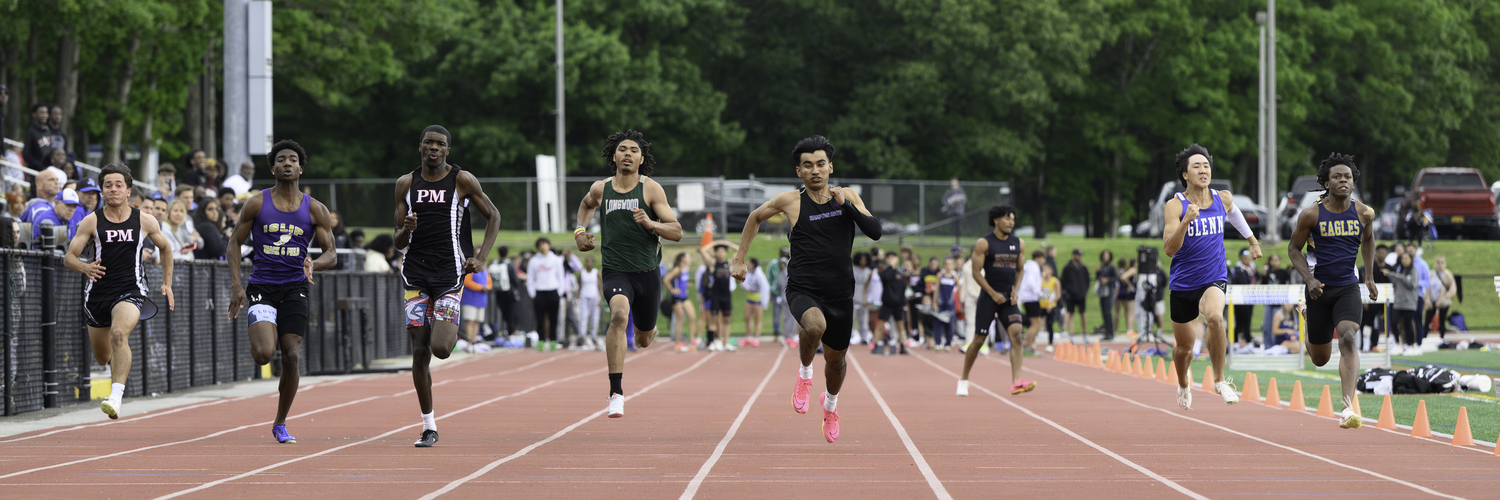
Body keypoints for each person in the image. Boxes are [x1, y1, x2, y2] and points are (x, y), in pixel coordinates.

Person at [731, 134, 882, 444]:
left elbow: (875, 232)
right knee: (814, 326)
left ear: (830, 167)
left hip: (841, 291)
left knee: (837, 360)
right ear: (799, 171)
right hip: (804, 286)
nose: (815, 170)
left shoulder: (848, 196)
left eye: (821, 164)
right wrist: (738, 258)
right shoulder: (791, 200)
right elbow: (754, 217)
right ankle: (804, 373)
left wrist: (846, 206)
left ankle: (830, 407)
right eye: (808, 165)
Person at [392, 125, 502, 447]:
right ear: (421, 147)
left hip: (449, 274)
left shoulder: (462, 180)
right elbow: (398, 239)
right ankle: (429, 425)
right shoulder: (405, 184)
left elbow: (493, 215)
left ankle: (446, 335)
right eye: (428, 143)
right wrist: (407, 228)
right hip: (414, 274)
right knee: (419, 349)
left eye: (440, 144)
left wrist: (481, 256)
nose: (434, 148)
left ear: (447, 150)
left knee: (441, 348)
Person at [224, 140, 338, 444]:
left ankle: (280, 421)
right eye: (281, 160)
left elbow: (332, 253)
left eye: (292, 160)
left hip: (295, 288)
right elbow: (234, 243)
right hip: (262, 285)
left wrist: (314, 263)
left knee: (291, 355)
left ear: (300, 168)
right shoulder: (257, 203)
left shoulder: (315, 208)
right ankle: (262, 330)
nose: (287, 164)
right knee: (263, 354)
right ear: (273, 168)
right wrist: (237, 285)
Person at [573, 129, 683, 417]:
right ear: (614, 156)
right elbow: (585, 205)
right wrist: (580, 231)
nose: (627, 154)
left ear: (641, 159)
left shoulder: (650, 189)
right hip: (615, 271)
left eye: (634, 150)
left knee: (643, 338)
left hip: (647, 272)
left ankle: (650, 330)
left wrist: (651, 223)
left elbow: (677, 231)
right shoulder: (601, 188)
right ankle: (616, 392)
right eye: (622, 149)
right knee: (619, 315)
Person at [63, 163, 175, 419]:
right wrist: (85, 267)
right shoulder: (92, 221)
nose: (113, 189)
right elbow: (68, 257)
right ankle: (118, 356)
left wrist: (167, 283)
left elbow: (166, 249)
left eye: (118, 185)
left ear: (128, 190)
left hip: (131, 289)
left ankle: (115, 396)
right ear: (103, 191)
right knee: (103, 358)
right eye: (108, 185)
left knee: (118, 333)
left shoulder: (144, 220)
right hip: (98, 295)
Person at [1164, 144, 1259, 411]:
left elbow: (1235, 214)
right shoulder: (1175, 206)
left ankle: (1219, 380)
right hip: (1183, 284)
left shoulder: (1222, 198)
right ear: (1185, 174)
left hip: (1214, 277)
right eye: (1196, 166)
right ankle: (1183, 382)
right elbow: (1170, 249)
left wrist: (1252, 240)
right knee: (1185, 349)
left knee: (1216, 317)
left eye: (1206, 165)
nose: (1203, 170)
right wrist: (1185, 222)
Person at [1287, 152, 1377, 429]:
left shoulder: (1364, 213)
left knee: (1349, 337)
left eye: (1347, 177)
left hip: (1348, 288)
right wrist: (1309, 280)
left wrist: (1369, 277)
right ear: (1326, 183)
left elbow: (1369, 240)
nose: (1343, 181)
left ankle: (1348, 408)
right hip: (1319, 290)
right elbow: (1293, 249)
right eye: (1337, 177)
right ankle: (1306, 318)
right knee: (1319, 358)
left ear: (1353, 182)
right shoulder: (1311, 213)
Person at [956, 205, 1034, 396]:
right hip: (989, 297)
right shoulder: (984, 243)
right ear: (996, 220)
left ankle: (1016, 381)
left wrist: (1015, 290)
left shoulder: (1019, 244)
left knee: (1016, 334)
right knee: (979, 340)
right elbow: (976, 272)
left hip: (1009, 297)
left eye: (1013, 219)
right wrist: (991, 293)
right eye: (1008, 218)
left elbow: (1020, 269)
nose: (1011, 222)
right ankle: (963, 379)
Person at [527, 237, 566, 351]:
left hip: (553, 291)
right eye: (540, 245)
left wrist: (559, 292)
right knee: (540, 319)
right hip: (539, 292)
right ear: (538, 247)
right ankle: (541, 341)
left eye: (545, 244)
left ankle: (553, 340)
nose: (543, 246)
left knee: (554, 318)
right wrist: (532, 293)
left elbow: (561, 277)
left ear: (549, 245)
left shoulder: (556, 260)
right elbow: (531, 278)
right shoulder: (534, 261)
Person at [699, 241, 739, 351]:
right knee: (713, 321)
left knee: (726, 320)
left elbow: (739, 249)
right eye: (719, 251)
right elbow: (702, 250)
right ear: (716, 253)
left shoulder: (729, 263)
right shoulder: (712, 263)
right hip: (715, 296)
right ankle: (712, 342)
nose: (721, 253)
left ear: (726, 253)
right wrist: (715, 243)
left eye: (723, 251)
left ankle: (726, 342)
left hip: (726, 297)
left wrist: (726, 243)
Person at [664, 253, 699, 352]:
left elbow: (681, 281)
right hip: (677, 298)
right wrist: (672, 290)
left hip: (684, 297)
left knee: (692, 317)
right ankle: (678, 341)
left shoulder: (686, 269)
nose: (689, 259)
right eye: (687, 257)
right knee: (680, 320)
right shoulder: (677, 269)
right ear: (682, 259)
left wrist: (686, 286)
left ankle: (692, 339)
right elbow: (666, 279)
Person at [1386, 251, 1420, 356]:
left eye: (1406, 258)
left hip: (1409, 302)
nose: (1404, 260)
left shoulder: (1413, 271)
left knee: (1407, 324)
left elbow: (1412, 285)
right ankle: (1397, 344)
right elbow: (1396, 283)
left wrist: (1399, 277)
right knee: (1393, 322)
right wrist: (1390, 276)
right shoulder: (1400, 269)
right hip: (1398, 302)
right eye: (1402, 258)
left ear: (1411, 260)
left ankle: (1412, 345)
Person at [877, 252, 909, 355]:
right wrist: (891, 267)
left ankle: (903, 346)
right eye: (889, 258)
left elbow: (903, 288)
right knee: (880, 324)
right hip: (887, 303)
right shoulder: (884, 272)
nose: (891, 260)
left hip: (898, 304)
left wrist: (903, 301)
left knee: (900, 325)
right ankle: (876, 345)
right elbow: (884, 278)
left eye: (893, 258)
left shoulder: (900, 273)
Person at [1229, 247, 1260, 350]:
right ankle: (1236, 341)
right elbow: (1243, 282)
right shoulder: (1239, 269)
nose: (1248, 260)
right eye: (1245, 258)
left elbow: (1258, 277)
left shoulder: (1251, 267)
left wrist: (1254, 271)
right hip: (1240, 299)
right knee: (1240, 321)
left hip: (1250, 298)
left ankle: (1247, 339)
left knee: (1248, 319)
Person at [1016, 250, 1045, 354]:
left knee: (1034, 323)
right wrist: (1039, 293)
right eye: (1043, 258)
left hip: (1026, 297)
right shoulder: (1034, 267)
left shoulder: (1028, 266)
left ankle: (1027, 344)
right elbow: (1030, 282)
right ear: (1039, 258)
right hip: (1031, 298)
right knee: (1036, 323)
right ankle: (1027, 345)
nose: (1043, 261)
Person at [458, 268, 492, 353]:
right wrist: (481, 287)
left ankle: (474, 340)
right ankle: (469, 342)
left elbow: (489, 282)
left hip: (481, 300)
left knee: (477, 321)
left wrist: (488, 287)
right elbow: (467, 282)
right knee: (470, 321)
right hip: (470, 300)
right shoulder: (471, 269)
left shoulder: (485, 270)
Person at [1059, 248, 1090, 341]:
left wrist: (1084, 291)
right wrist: (1066, 292)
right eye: (1077, 255)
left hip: (1081, 295)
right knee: (1070, 313)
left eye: (1080, 255)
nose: (1079, 257)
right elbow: (1063, 281)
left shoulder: (1083, 268)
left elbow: (1087, 280)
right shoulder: (1067, 268)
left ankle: (1085, 332)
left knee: (1083, 313)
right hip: (1071, 295)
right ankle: (1070, 333)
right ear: (1074, 255)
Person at [487, 246, 517, 337]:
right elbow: (515, 279)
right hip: (509, 292)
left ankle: (503, 330)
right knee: (510, 312)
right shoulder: (509, 264)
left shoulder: (495, 263)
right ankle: (511, 331)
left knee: (503, 312)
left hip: (498, 292)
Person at [1424, 255, 1455, 340]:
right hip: (1431, 301)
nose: (1440, 264)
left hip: (1443, 302)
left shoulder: (1447, 274)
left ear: (1445, 263)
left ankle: (1442, 338)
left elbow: (1453, 289)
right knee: (1427, 320)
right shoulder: (1431, 274)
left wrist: (1444, 298)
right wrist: (1427, 299)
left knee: (1442, 320)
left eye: (1442, 262)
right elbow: (1426, 287)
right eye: (1438, 262)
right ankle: (1423, 338)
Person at [741, 257, 769, 347]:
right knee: (747, 317)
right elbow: (745, 284)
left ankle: (756, 338)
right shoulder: (749, 273)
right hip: (750, 297)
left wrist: (764, 301)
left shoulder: (759, 273)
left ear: (752, 264)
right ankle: (748, 337)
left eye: (748, 262)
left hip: (757, 299)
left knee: (757, 319)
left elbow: (764, 287)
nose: (747, 264)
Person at [932, 257, 959, 351]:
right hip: (940, 302)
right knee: (938, 323)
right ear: (944, 265)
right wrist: (934, 302)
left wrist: (958, 304)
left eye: (950, 264)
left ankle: (948, 342)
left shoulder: (955, 276)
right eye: (946, 264)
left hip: (950, 303)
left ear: (953, 265)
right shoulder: (940, 275)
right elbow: (936, 290)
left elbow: (958, 291)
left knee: (950, 324)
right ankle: (938, 343)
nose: (948, 266)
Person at [576, 257, 603, 350]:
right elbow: (579, 286)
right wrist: (577, 298)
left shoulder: (596, 273)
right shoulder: (582, 273)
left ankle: (593, 336)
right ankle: (582, 336)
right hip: (584, 296)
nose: (588, 263)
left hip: (594, 297)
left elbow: (600, 286)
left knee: (594, 317)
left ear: (593, 263)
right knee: (583, 317)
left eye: (590, 262)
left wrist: (601, 298)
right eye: (587, 261)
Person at [1095, 250, 1118, 340]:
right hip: (1102, 291)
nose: (1105, 257)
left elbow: (1116, 278)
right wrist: (1097, 273)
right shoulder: (1102, 266)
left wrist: (1107, 280)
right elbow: (1098, 278)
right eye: (1104, 255)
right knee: (1104, 312)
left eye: (1107, 256)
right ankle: (1106, 332)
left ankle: (1111, 333)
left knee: (1108, 312)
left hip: (1109, 291)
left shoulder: (1111, 267)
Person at [942, 177, 967, 244]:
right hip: (951, 212)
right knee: (953, 226)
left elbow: (963, 200)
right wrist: (950, 204)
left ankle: (957, 241)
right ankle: (952, 240)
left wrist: (957, 203)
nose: (954, 185)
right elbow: (944, 201)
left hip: (959, 212)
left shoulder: (960, 191)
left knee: (958, 227)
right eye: (952, 184)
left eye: (955, 184)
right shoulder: (948, 192)